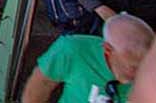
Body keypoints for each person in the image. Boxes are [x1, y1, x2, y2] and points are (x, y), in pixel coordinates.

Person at [22, 13, 154, 103]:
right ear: (108, 51)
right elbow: (41, 84)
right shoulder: (73, 49)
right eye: (132, 67)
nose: (140, 75)